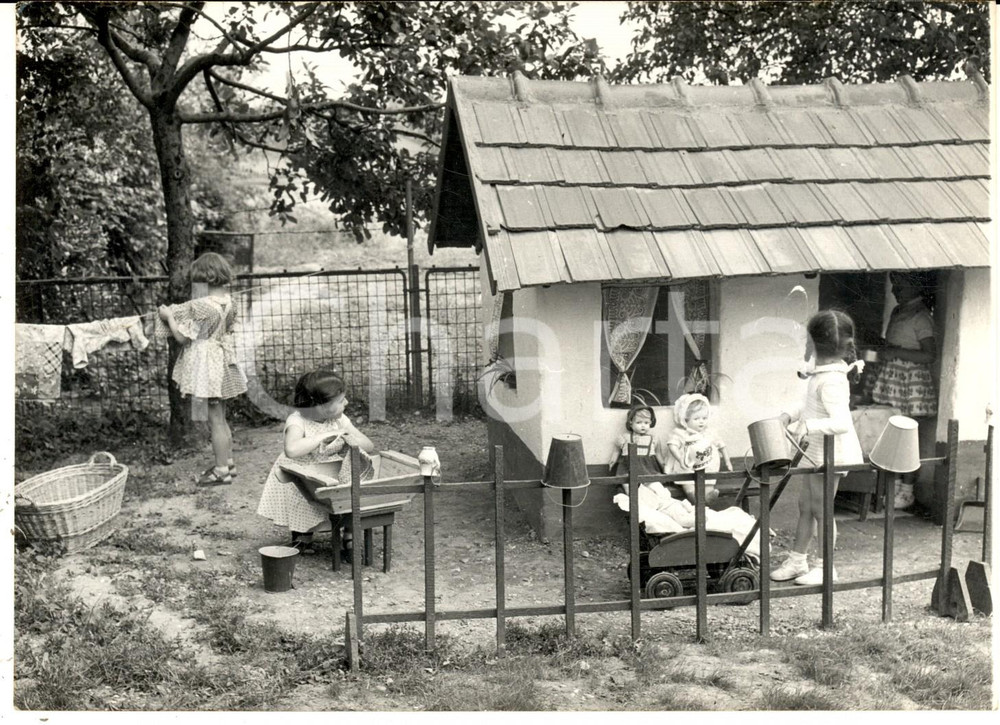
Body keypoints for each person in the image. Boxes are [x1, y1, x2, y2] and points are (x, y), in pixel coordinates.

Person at [771, 310, 864, 586]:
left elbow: (841, 423)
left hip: (830, 452)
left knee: (821, 509)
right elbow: (812, 405)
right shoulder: (821, 374)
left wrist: (808, 427)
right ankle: (798, 560)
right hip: (814, 450)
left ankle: (826, 567)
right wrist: (790, 414)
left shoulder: (833, 380)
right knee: (806, 506)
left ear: (813, 342)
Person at [256, 370, 375, 554]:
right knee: (303, 500)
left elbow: (368, 445)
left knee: (350, 490)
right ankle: (302, 535)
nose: (347, 403)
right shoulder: (297, 420)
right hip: (303, 472)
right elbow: (292, 450)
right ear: (322, 407)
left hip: (329, 470)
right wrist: (323, 435)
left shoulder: (340, 420)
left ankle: (349, 534)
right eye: (341, 401)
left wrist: (347, 437)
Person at [156, 252, 247, 486]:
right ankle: (229, 463)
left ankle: (220, 471)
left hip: (208, 365)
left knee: (215, 420)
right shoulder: (229, 302)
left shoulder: (200, 306)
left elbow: (181, 338)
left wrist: (169, 317)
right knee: (221, 417)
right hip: (222, 360)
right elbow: (227, 330)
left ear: (202, 279)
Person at [871, 272, 937, 509]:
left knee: (908, 435)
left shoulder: (921, 316)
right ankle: (894, 485)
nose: (894, 291)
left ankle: (907, 490)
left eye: (900, 286)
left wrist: (897, 352)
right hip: (894, 379)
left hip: (910, 382)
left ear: (915, 286)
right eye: (894, 286)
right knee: (894, 432)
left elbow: (929, 354)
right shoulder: (899, 311)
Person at [663, 393, 731, 504]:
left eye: (704, 418)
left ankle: (708, 497)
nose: (701, 421)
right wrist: (680, 458)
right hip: (687, 466)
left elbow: (721, 445)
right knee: (688, 484)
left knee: (708, 482)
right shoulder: (680, 433)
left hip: (707, 466)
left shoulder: (709, 433)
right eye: (696, 418)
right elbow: (672, 445)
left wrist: (727, 461)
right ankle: (694, 498)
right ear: (685, 419)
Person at [608, 405, 669, 484]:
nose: (643, 425)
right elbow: (616, 451)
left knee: (656, 486)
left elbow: (658, 454)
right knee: (628, 487)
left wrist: (664, 467)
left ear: (650, 423)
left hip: (648, 471)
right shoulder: (624, 438)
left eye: (646, 423)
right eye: (638, 422)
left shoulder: (653, 439)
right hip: (628, 472)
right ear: (630, 423)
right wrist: (612, 461)